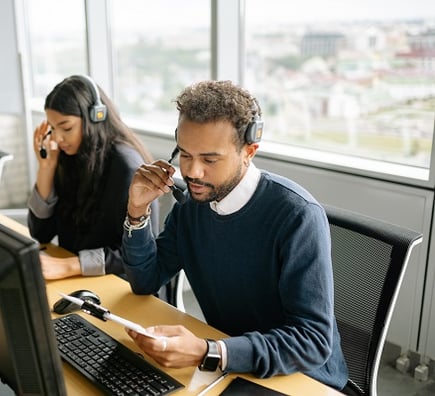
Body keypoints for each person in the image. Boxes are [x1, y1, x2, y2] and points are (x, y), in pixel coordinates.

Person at [120, 80, 348, 390]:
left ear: (249, 151)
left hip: (300, 379)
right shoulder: (192, 205)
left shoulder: (297, 215)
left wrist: (210, 351)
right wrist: (137, 211)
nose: (193, 172)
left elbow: (312, 341)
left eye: (209, 159)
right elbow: (145, 280)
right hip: (230, 363)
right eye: (185, 154)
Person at [27, 74, 159, 280]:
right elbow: (40, 234)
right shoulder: (69, 157)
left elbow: (139, 253)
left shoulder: (126, 167)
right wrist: (46, 168)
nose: (57, 138)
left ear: (96, 117)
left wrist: (70, 266)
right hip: (81, 278)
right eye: (52, 128)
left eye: (66, 127)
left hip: (122, 285)